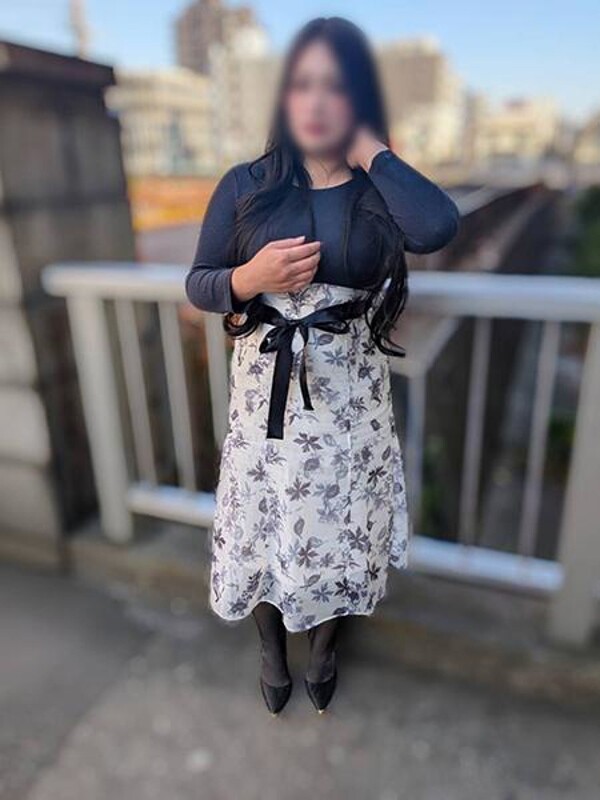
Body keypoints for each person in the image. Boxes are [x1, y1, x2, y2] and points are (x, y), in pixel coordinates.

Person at [186, 17, 459, 716]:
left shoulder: (375, 191)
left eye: (334, 87)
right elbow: (199, 284)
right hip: (266, 402)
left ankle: (326, 648)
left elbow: (436, 225)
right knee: (264, 519)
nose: (314, 101)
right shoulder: (247, 185)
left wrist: (368, 149)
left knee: (340, 524)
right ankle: (271, 650)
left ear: (357, 99)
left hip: (350, 401)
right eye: (302, 84)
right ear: (285, 95)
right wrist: (248, 277)